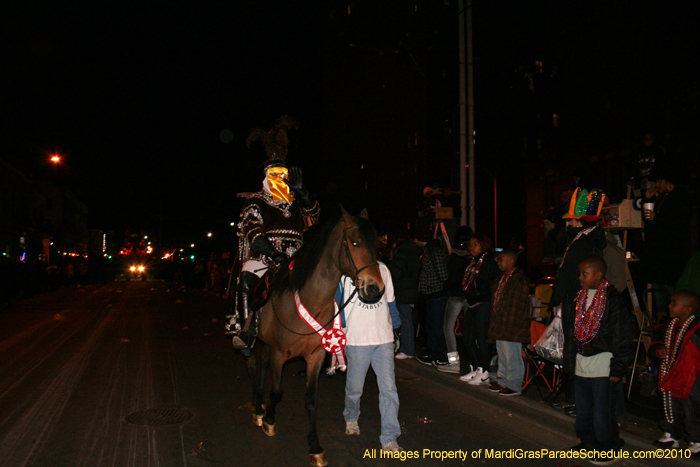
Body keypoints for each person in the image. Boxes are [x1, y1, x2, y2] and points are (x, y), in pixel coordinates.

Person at [227, 116, 320, 355]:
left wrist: (304, 194)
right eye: (275, 175)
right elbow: (253, 233)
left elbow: (313, 219)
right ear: (267, 177)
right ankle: (247, 330)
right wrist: (275, 254)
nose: (280, 180)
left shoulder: (296, 204)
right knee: (247, 277)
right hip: (267, 258)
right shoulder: (256, 202)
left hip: (298, 258)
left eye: (284, 176)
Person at [571, 256, 635, 463]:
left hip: (602, 363)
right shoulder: (579, 296)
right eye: (580, 273)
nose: (580, 277)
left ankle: (609, 446)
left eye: (584, 274)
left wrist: (618, 367)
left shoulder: (613, 299)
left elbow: (622, 334)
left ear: (599, 275)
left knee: (603, 412)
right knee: (583, 409)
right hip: (582, 361)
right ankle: (590, 441)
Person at [550, 188, 607, 416]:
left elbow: (567, 277)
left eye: (572, 220)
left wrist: (557, 300)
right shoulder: (585, 239)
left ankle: (576, 400)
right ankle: (575, 399)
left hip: (575, 303)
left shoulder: (582, 243)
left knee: (575, 350)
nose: (568, 225)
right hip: (577, 301)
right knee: (575, 350)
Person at [337, 262, 403, 453]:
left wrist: (397, 330)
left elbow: (391, 302)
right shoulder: (345, 273)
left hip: (383, 339)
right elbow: (336, 305)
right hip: (357, 339)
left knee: (389, 389)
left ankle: (390, 437)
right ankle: (351, 416)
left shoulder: (383, 269)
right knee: (355, 388)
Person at [638, 161, 692, 317]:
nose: (657, 184)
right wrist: (648, 199)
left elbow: (678, 224)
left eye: (659, 181)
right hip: (657, 259)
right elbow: (650, 222)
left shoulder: (681, 197)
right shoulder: (660, 198)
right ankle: (661, 326)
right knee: (659, 297)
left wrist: (659, 218)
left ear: (668, 183)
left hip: (670, 257)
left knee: (672, 295)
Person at [654, 290, 700, 456]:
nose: (669, 306)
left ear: (687, 309)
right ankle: (672, 434)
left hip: (690, 379)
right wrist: (658, 351)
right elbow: (656, 343)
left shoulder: (696, 330)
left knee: (692, 412)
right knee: (670, 407)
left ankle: (696, 439)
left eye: (674, 303)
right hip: (670, 376)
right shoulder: (669, 325)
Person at [487, 249, 530, 396]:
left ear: (511, 261)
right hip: (501, 322)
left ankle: (514, 384)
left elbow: (517, 306)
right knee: (502, 353)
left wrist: (509, 324)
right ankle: (503, 379)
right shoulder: (504, 277)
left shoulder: (518, 279)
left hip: (511, 324)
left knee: (512, 355)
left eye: (501, 260)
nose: (498, 263)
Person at [459, 232, 499, 385]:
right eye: (470, 245)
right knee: (467, 338)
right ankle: (475, 368)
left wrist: (478, 291)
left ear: (483, 245)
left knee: (482, 339)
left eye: (475, 244)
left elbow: (489, 283)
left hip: (483, 303)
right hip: (472, 302)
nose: (472, 247)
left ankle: (485, 371)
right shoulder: (472, 262)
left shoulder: (488, 262)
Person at [436, 225, 473, 373]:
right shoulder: (473, 258)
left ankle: (454, 362)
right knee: (470, 330)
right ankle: (475, 364)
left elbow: (451, 279)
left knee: (448, 327)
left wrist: (446, 288)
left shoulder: (455, 257)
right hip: (469, 296)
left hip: (456, 295)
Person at [414, 228, 449, 366]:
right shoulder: (429, 251)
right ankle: (433, 354)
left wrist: (434, 286)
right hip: (430, 294)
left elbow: (442, 274)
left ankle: (442, 356)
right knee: (430, 325)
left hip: (436, 295)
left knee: (437, 326)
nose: (414, 241)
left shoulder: (434, 252)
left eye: (416, 238)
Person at [389, 231, 422, 360]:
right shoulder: (413, 253)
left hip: (403, 291)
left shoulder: (401, 254)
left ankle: (407, 349)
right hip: (410, 291)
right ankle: (406, 348)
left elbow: (396, 272)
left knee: (404, 320)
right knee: (406, 320)